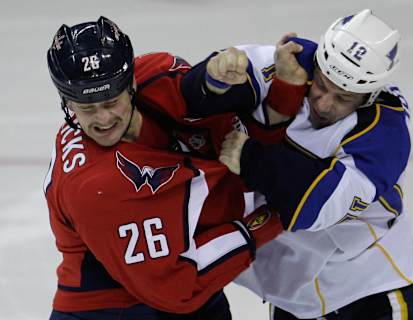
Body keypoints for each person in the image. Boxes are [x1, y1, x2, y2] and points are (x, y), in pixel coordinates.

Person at [43, 16, 283, 320]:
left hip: (173, 282)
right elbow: (177, 289)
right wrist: (272, 218)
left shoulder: (153, 74)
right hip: (111, 309)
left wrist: (214, 77)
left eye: (111, 102)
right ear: (67, 102)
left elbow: (192, 94)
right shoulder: (96, 187)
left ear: (131, 84)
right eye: (87, 108)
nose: (103, 119)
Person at [215, 9, 413, 320]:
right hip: (296, 296)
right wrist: (216, 73)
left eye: (342, 98)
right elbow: (221, 75)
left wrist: (250, 157)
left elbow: (315, 205)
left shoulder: (384, 136)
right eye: (321, 84)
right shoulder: (297, 61)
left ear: (369, 94)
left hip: (371, 291)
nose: (323, 103)